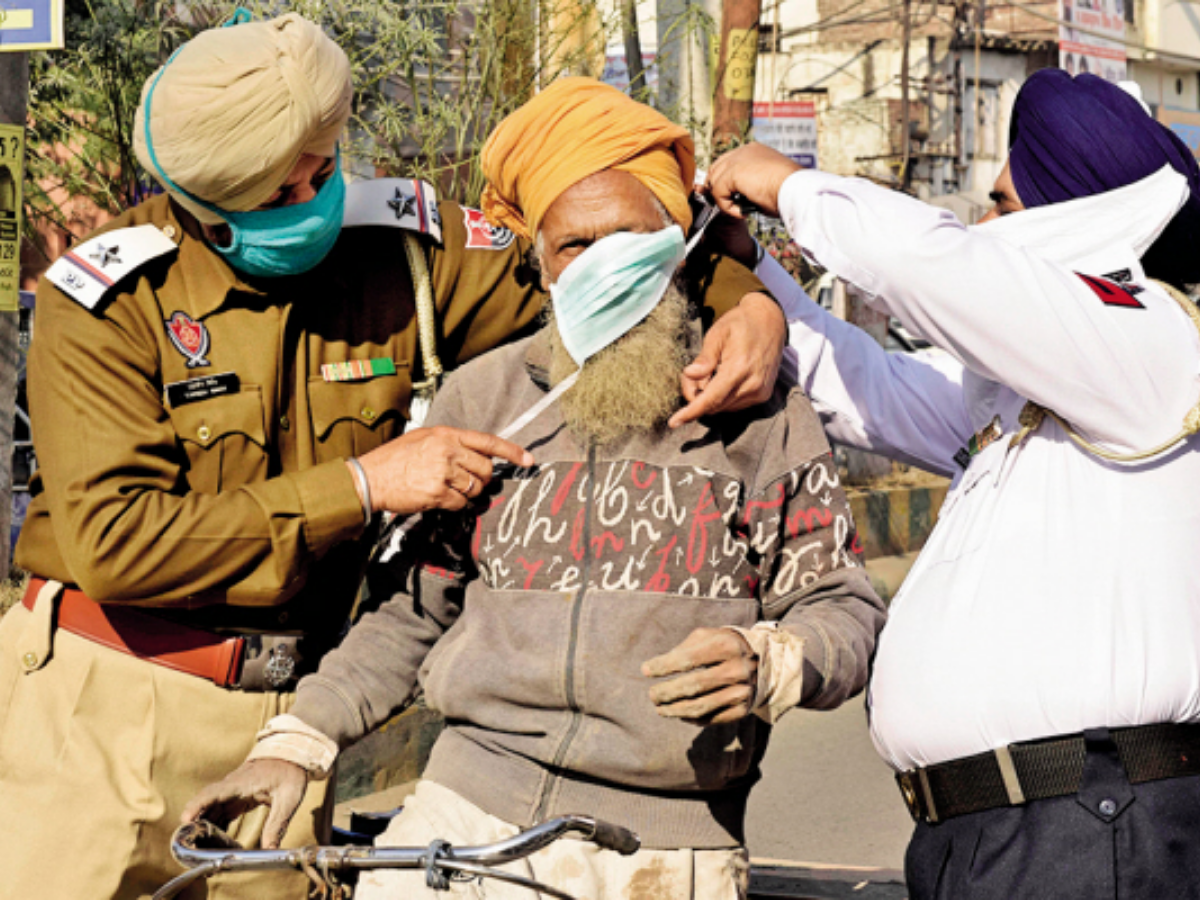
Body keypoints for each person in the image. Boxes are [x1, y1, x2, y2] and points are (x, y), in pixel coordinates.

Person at [0, 16, 786, 900]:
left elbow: (612, 250)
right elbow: (118, 542)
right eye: (278, 190)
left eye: (323, 165)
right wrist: (364, 485)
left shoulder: (404, 248)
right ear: (201, 195)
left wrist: (749, 305)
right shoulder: (109, 300)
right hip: (107, 704)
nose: (313, 198)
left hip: (294, 716)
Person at [183, 77, 886, 900]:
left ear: (679, 243)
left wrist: (772, 662)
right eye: (574, 247)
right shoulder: (483, 400)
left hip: (664, 854)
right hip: (463, 818)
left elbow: (845, 607)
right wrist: (296, 743)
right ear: (540, 263)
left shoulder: (760, 414)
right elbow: (411, 611)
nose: (601, 264)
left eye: (629, 236)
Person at [705, 70, 1200, 899]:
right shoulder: (1025, 393)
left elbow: (932, 263)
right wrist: (754, 268)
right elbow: (860, 382)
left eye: (1003, 204)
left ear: (1071, 215)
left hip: (1091, 830)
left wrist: (790, 186)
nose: (984, 224)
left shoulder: (1148, 342)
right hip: (985, 839)